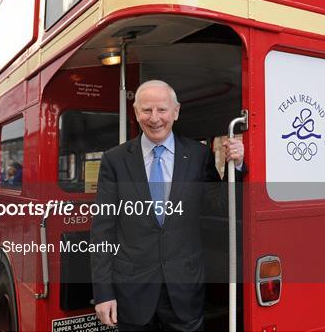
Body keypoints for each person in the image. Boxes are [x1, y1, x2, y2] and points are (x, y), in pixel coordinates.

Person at [91, 80, 245, 331]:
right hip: (132, 294)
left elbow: (219, 204)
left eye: (162, 110)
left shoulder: (199, 155)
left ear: (176, 111)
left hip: (185, 290)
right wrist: (103, 293)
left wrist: (235, 166)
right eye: (147, 110)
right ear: (135, 111)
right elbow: (102, 231)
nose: (154, 118)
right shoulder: (115, 160)